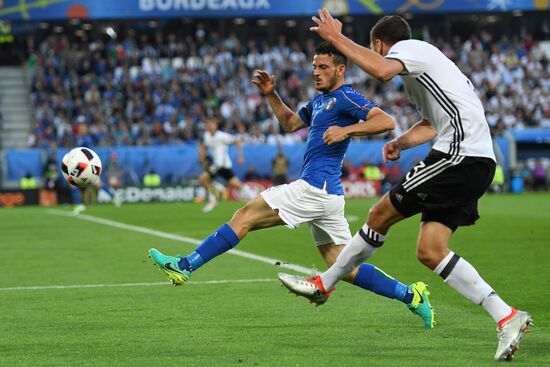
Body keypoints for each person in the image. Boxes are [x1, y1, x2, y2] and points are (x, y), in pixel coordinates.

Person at [278, 10, 532, 361]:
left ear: (380, 44)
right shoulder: (428, 73)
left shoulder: (413, 49)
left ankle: (324, 284)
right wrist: (403, 142)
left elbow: (381, 70)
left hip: (459, 155)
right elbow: (431, 123)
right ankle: (506, 315)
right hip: (476, 159)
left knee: (379, 213)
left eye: (374, 50)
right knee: (430, 250)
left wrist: (336, 38)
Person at [149, 42, 435, 329]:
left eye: (323, 67)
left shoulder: (347, 97)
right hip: (328, 195)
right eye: (314, 67)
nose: (316, 73)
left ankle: (184, 266)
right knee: (345, 268)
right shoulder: (319, 102)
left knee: (244, 216)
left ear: (341, 69)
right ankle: (412, 296)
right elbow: (289, 123)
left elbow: (385, 121)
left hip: (314, 188)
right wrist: (272, 94)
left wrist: (346, 130)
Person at [198, 117, 244, 213]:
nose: (211, 126)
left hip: (224, 165)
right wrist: (201, 155)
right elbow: (204, 146)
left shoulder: (222, 136)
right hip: (217, 165)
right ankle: (213, 199)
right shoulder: (207, 136)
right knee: (203, 178)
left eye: (213, 124)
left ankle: (219, 187)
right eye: (209, 124)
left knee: (238, 186)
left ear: (216, 125)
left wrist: (240, 157)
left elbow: (237, 141)